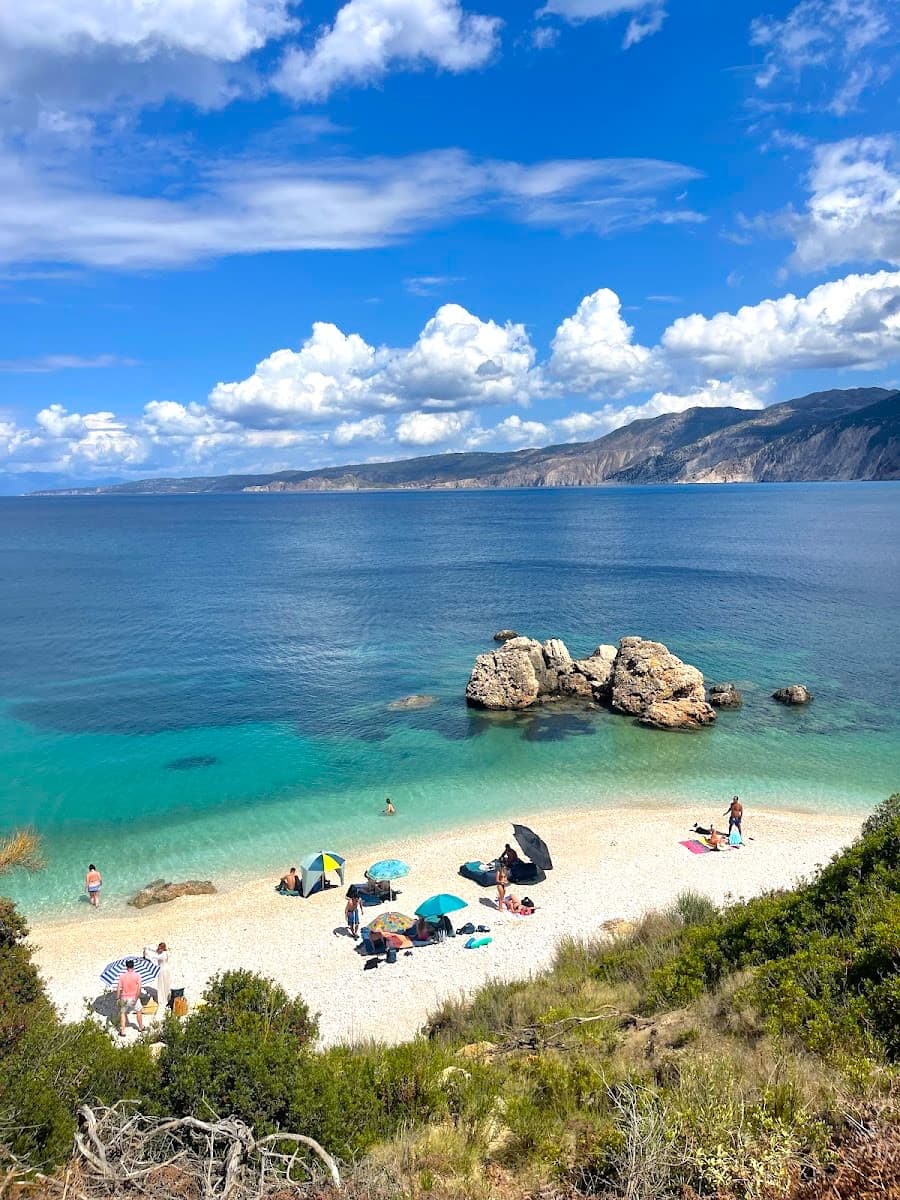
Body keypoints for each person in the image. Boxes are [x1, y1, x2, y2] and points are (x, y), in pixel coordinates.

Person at [116, 960, 144, 1037]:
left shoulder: (122, 976)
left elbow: (118, 988)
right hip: (134, 997)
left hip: (124, 997)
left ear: (126, 966)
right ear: (133, 966)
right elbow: (139, 988)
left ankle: (123, 1031)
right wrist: (136, 998)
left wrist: (117, 998)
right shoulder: (137, 975)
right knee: (138, 1011)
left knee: (123, 1013)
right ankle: (141, 1027)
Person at [143, 942, 174, 1010]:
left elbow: (154, 957)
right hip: (167, 970)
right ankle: (166, 997)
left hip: (162, 970)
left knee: (161, 985)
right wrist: (148, 948)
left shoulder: (162, 955)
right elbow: (155, 951)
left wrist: (147, 952)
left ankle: (162, 1000)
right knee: (166, 985)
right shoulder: (166, 953)